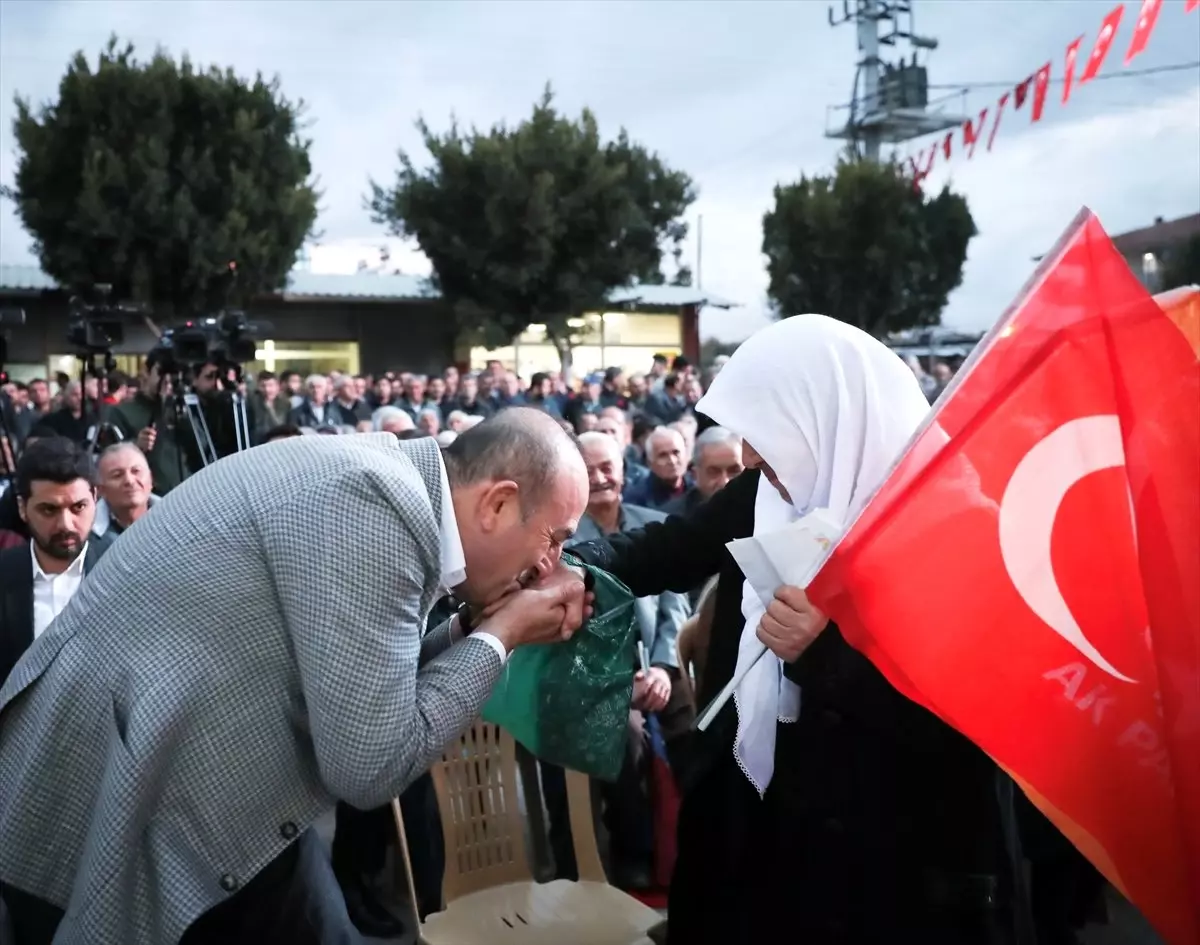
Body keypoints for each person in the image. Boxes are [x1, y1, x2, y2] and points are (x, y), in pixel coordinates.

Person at [0, 409, 591, 945]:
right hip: (102, 799)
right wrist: (500, 635)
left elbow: (375, 688)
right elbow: (371, 767)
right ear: (498, 504)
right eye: (556, 538)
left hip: (212, 790)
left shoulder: (383, 482)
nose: (552, 566)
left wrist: (471, 631)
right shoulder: (378, 505)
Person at [570, 315, 1026, 945]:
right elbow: (669, 548)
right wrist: (572, 569)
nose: (751, 457)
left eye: (770, 434)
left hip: (893, 854)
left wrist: (825, 654)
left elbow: (972, 723)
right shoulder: (767, 492)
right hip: (771, 820)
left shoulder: (953, 523)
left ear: (830, 421)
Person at [0, 438, 110, 684]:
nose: (66, 524)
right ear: (22, 507)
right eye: (48, 510)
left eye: (78, 507)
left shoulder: (125, 570)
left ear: (95, 497)